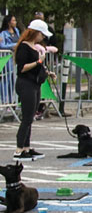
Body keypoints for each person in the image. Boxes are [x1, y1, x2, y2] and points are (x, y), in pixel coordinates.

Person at [11, 20, 54, 161]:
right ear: (35, 33)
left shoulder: (34, 46)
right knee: (27, 117)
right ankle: (19, 149)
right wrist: (38, 62)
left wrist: (46, 72)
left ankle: (26, 147)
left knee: (31, 117)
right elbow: (22, 68)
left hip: (35, 84)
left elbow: (37, 67)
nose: (43, 38)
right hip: (26, 84)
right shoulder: (24, 47)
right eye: (42, 34)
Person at [1, 15, 20, 104]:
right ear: (9, 22)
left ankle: (11, 99)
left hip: (15, 59)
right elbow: (2, 45)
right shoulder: (3, 33)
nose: (15, 22)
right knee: (6, 79)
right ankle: (4, 100)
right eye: (13, 20)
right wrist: (13, 46)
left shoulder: (17, 31)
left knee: (13, 79)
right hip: (7, 58)